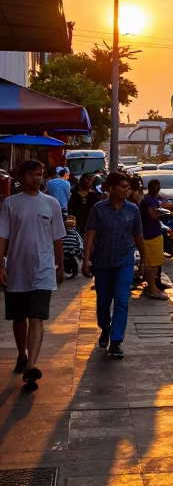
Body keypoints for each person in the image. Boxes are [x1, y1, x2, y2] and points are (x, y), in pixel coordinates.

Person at [0, 159, 65, 390]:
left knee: (37, 317)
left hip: (43, 269)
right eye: (32, 174)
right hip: (17, 269)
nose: (36, 178)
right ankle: (22, 355)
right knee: (19, 318)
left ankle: (32, 366)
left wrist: (60, 266)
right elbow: (3, 237)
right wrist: (1, 265)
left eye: (39, 174)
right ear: (22, 176)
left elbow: (58, 238)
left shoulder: (51, 204)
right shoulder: (10, 204)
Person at [83, 172, 146, 359]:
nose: (127, 190)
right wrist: (86, 259)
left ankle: (116, 341)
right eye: (122, 187)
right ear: (110, 189)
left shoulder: (133, 210)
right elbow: (90, 234)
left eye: (128, 187)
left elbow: (138, 236)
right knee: (103, 303)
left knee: (121, 301)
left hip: (124, 262)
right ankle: (105, 329)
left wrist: (144, 260)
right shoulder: (98, 209)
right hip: (102, 262)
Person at [139, 178, 168, 301]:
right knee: (153, 264)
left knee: (153, 263)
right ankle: (152, 289)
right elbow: (152, 214)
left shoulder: (151, 199)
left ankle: (152, 287)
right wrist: (163, 213)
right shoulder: (149, 200)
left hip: (152, 234)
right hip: (151, 236)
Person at [61, 214, 84, 279]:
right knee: (80, 254)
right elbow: (80, 241)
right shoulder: (75, 232)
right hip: (73, 251)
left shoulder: (62, 233)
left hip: (64, 251)